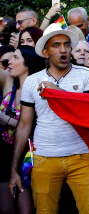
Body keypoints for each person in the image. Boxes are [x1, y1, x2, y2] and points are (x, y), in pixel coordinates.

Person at [8, 23, 89, 214]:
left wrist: (58, 93)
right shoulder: (33, 81)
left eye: (67, 45)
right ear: (45, 51)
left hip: (82, 157)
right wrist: (14, 169)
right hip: (44, 159)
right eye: (56, 45)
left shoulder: (87, 75)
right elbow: (24, 125)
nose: (63, 50)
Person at [0, 45, 45, 214]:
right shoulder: (9, 85)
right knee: (6, 209)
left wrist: (7, 120)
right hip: (4, 154)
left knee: (26, 210)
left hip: (29, 156)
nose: (9, 62)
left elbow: (36, 126)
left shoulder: (40, 90)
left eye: (15, 58)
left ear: (28, 64)